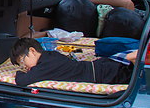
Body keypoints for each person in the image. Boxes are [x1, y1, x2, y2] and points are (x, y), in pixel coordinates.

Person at [10, 37, 138, 88]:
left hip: (102, 74)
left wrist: (19, 73)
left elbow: (22, 81)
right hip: (101, 66)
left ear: (32, 51)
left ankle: (134, 56)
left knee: (133, 75)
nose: (24, 66)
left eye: (22, 62)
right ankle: (132, 57)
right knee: (131, 71)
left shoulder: (43, 67)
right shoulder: (51, 55)